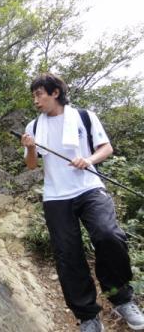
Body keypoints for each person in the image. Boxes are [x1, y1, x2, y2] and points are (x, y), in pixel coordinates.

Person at [20, 72, 144, 332]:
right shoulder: (34, 126)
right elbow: (31, 166)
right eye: (33, 96)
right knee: (68, 256)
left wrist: (88, 160)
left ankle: (120, 297)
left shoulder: (85, 116)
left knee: (109, 235)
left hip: (89, 188)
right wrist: (31, 147)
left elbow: (106, 148)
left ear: (55, 93)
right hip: (56, 196)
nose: (35, 100)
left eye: (39, 94)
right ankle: (88, 316)